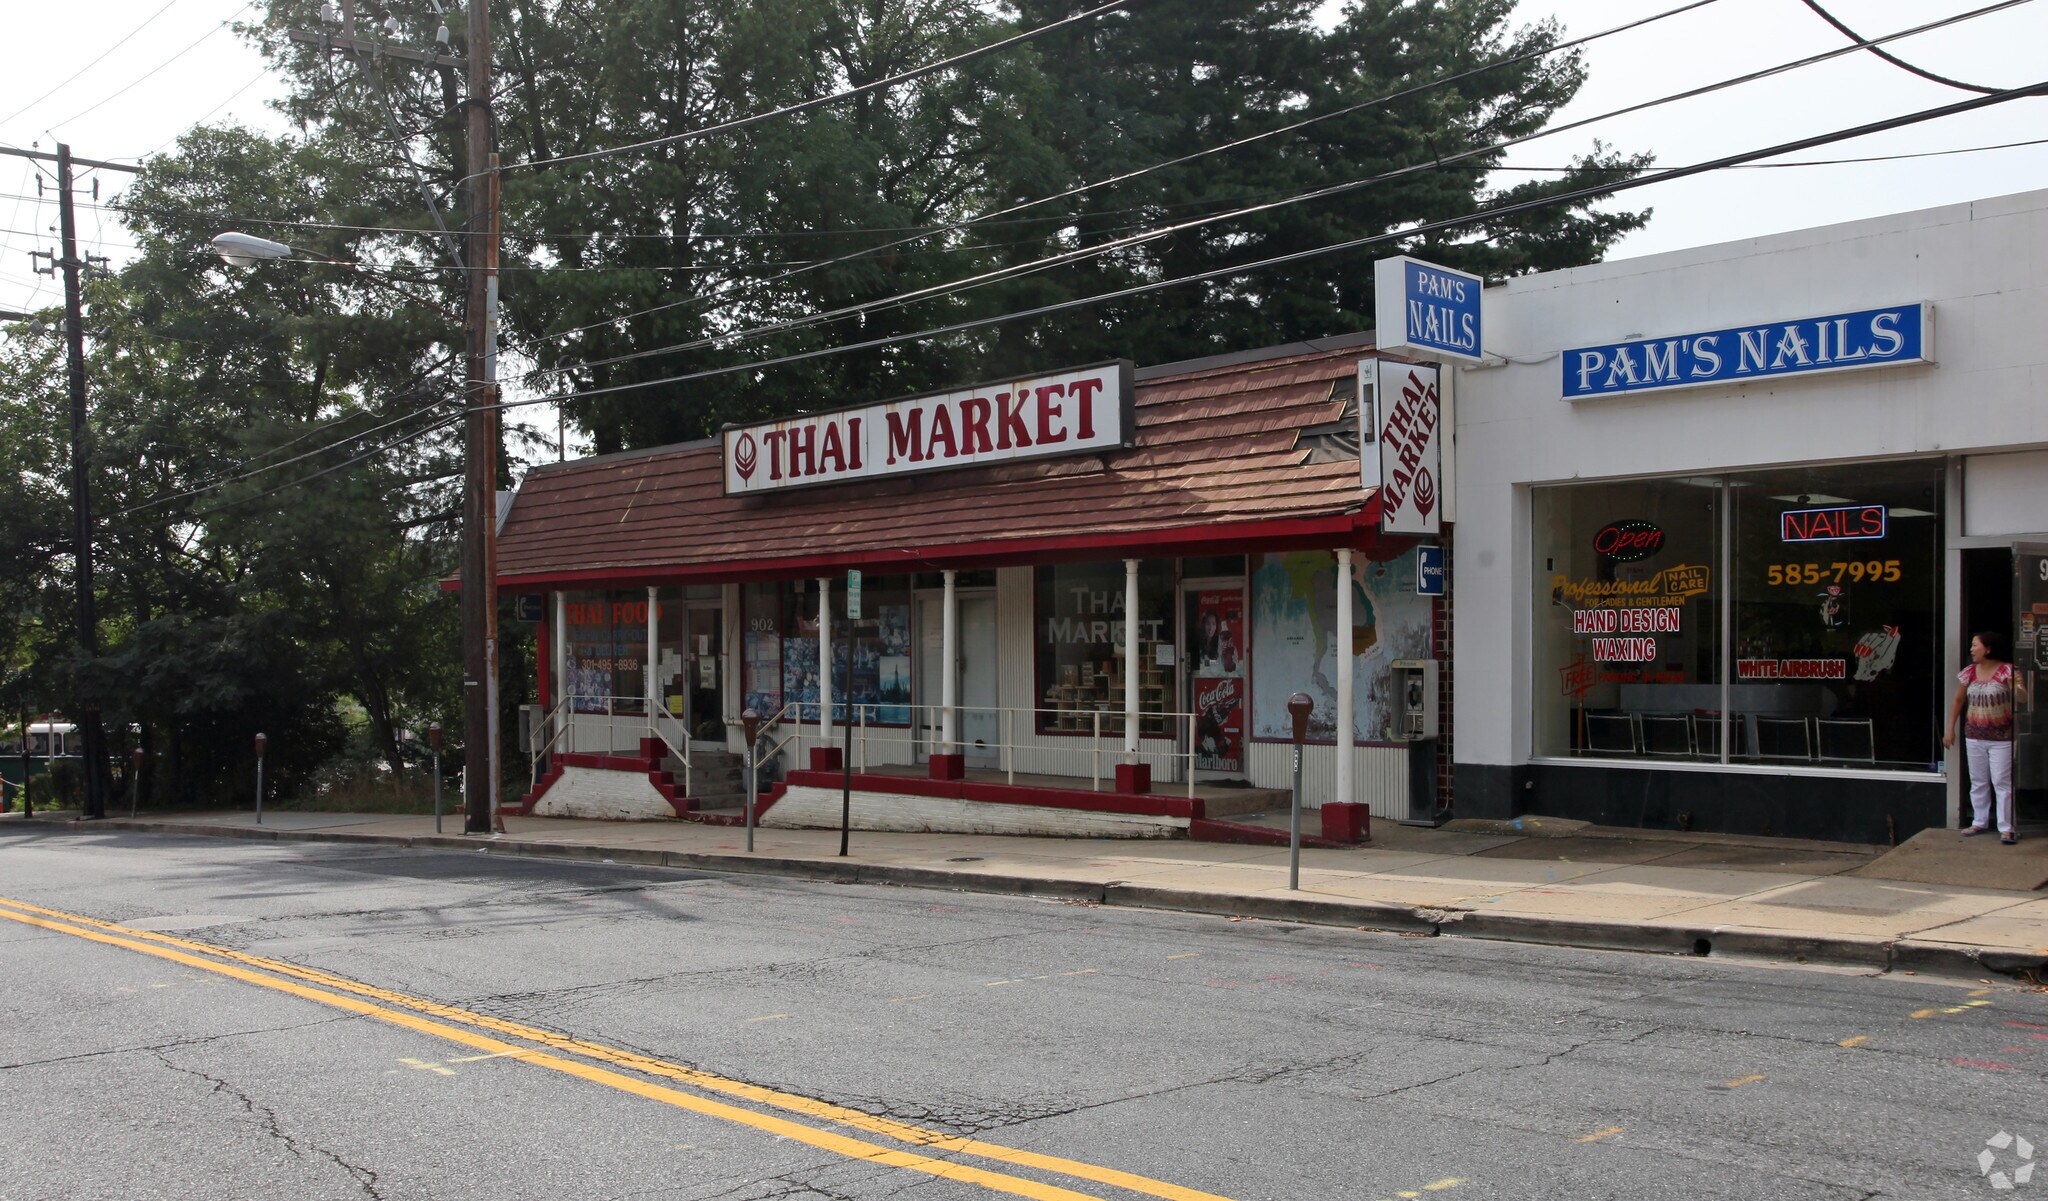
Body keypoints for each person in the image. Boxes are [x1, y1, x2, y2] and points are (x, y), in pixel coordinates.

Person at [1944, 631, 2030, 844]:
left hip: (2002, 738)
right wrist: (1950, 728)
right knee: (1978, 780)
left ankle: (2006, 827)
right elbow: (1958, 700)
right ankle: (1979, 821)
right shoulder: (1969, 672)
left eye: (1976, 645)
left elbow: (2023, 698)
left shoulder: (2008, 670)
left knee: (2001, 781)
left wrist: (2014, 686)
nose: (1972, 650)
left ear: (1988, 648)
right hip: (1973, 734)